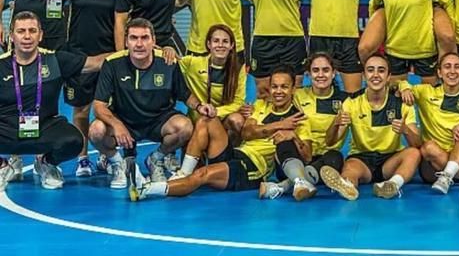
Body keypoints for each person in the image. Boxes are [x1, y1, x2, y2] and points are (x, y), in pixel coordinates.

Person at [128, 64, 311, 201]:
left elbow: (307, 156)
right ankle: (182, 174)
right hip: (237, 153)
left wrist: (293, 135)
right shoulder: (261, 105)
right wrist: (280, 125)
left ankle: (148, 189)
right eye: (275, 86)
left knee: (202, 175)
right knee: (207, 120)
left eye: (284, 87)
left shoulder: (299, 119)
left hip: (253, 168)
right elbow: (247, 132)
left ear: (293, 89)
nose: (278, 91)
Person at [88, 18, 207, 189]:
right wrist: (117, 124)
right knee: (96, 130)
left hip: (158, 120)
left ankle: (155, 159)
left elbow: (185, 94)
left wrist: (199, 106)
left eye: (144, 38)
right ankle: (117, 163)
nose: (139, 44)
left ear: (154, 41)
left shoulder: (167, 62)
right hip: (124, 120)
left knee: (185, 127)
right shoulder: (112, 63)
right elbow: (99, 105)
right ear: (126, 42)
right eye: (133, 38)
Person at [0, 12, 107, 190]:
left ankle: (46, 163)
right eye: (21, 31)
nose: (27, 36)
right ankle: (3, 167)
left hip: (44, 128)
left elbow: (94, 63)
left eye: (32, 31)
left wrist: (132, 51)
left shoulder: (55, 59)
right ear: (12, 36)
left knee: (74, 140)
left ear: (40, 35)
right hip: (7, 130)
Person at [64, 0, 131, 177]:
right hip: (79, 56)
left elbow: (121, 22)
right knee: (80, 111)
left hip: (109, 57)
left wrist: (120, 55)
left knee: (108, 110)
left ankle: (105, 155)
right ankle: (83, 159)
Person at [320, 53, 422, 200]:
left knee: (413, 153)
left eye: (381, 70)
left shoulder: (401, 104)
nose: (375, 75)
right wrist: (334, 124)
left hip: (390, 160)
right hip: (362, 159)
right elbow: (331, 142)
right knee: (350, 169)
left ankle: (392, 185)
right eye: (370, 70)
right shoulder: (351, 102)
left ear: (388, 76)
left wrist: (405, 130)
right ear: (363, 75)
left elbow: (417, 144)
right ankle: (347, 186)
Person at [399, 52, 459, 194]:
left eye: (457, 67)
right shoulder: (427, 92)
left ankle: (448, 175)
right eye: (447, 67)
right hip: (432, 167)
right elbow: (399, 83)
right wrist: (405, 88)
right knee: (428, 147)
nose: (452, 71)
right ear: (439, 72)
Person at [258, 52, 347, 200]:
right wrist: (249, 109)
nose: (320, 75)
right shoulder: (297, 95)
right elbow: (272, 95)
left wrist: (400, 88)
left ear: (333, 74)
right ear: (308, 74)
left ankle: (283, 186)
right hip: (297, 154)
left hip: (325, 159)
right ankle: (299, 181)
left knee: (336, 157)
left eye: (325, 70)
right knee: (284, 141)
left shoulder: (345, 100)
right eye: (315, 70)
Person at [177, 24, 247, 141]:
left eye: (225, 41)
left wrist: (216, 112)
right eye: (216, 41)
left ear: (232, 45)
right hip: (199, 118)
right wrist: (167, 49)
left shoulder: (238, 69)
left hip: (222, 118)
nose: (220, 45)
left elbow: (238, 102)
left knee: (237, 120)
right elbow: (168, 59)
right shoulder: (192, 63)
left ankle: (233, 153)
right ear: (209, 44)